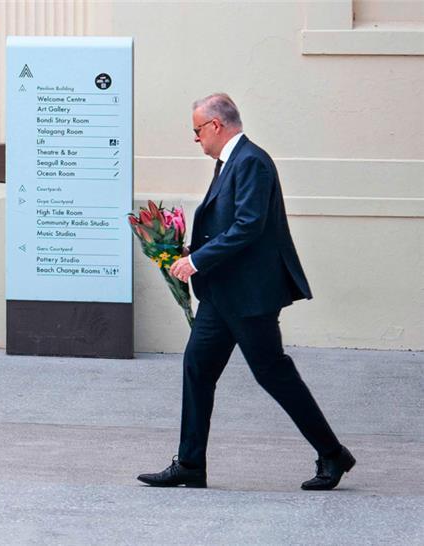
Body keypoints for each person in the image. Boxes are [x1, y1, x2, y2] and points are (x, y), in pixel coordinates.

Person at [137, 93, 355, 490]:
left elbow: (249, 225)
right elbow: (228, 225)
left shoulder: (251, 161)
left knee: (274, 374)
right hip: (222, 295)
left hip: (249, 296)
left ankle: (333, 454)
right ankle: (190, 464)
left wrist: (197, 262)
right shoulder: (230, 162)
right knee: (197, 369)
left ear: (216, 126)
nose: (196, 139)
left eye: (197, 130)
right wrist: (192, 250)